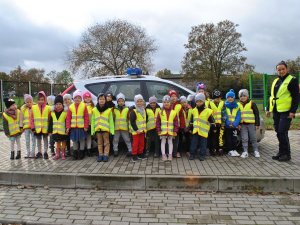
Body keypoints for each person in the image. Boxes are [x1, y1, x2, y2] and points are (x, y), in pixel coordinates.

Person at [266, 61, 299, 162]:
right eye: (279, 69)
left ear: (287, 69)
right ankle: (281, 152)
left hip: (287, 111)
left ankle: (286, 154)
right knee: (278, 132)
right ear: (277, 70)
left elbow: (296, 97)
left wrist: (293, 111)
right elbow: (271, 96)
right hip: (276, 110)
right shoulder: (276, 81)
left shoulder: (292, 80)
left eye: (283, 69)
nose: (281, 71)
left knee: (282, 132)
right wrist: (268, 109)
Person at [189, 93, 215, 161]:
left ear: (203, 101)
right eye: (197, 101)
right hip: (195, 130)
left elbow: (212, 121)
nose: (199, 103)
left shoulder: (208, 111)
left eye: (200, 101)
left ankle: (202, 155)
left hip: (204, 131)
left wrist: (213, 128)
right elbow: (192, 120)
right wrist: (190, 128)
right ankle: (192, 154)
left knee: (203, 144)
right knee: (193, 143)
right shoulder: (194, 110)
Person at [66, 90, 89, 160]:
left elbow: (86, 117)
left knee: (82, 140)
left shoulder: (84, 106)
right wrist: (68, 127)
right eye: (76, 97)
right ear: (73, 98)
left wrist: (86, 126)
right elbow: (68, 118)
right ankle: (75, 153)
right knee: (74, 140)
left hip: (81, 127)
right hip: (73, 128)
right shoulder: (71, 107)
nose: (77, 99)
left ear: (81, 99)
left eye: (79, 98)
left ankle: (81, 152)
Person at [91, 93, 115, 162]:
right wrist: (92, 131)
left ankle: (106, 155)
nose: (102, 100)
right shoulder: (94, 110)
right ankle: (100, 154)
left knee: (106, 143)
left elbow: (111, 121)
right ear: (98, 100)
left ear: (105, 100)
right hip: (98, 130)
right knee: (99, 143)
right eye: (100, 99)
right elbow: (92, 121)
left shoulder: (108, 110)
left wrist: (112, 131)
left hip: (106, 130)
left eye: (103, 99)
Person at [238, 89, 260, 158]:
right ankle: (245, 151)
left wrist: (257, 124)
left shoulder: (252, 103)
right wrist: (238, 124)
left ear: (247, 96)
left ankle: (256, 151)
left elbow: (256, 114)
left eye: (244, 96)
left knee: (253, 138)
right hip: (243, 124)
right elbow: (237, 115)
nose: (243, 97)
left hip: (251, 124)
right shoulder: (238, 104)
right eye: (241, 96)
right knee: (244, 138)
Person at [156, 95, 178, 161]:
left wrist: (175, 131)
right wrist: (158, 130)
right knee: (163, 142)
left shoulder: (174, 112)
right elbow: (158, 122)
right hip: (163, 131)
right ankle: (163, 155)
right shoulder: (160, 112)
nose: (166, 103)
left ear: (170, 103)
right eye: (165, 102)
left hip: (171, 131)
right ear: (163, 103)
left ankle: (170, 155)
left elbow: (176, 122)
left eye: (168, 102)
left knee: (170, 142)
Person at [31, 91, 51, 159]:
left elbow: (49, 119)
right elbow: (31, 119)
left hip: (45, 128)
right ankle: (39, 152)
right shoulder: (34, 107)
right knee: (38, 141)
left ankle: (45, 152)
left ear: (45, 100)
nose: (40, 101)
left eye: (42, 100)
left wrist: (49, 128)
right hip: (37, 128)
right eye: (39, 100)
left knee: (45, 140)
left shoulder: (48, 108)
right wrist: (33, 128)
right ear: (37, 100)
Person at [48, 95, 67, 160]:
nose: (58, 105)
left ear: (62, 104)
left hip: (63, 131)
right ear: (54, 105)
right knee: (57, 143)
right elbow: (50, 123)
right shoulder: (52, 113)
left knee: (63, 142)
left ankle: (63, 153)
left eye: (60, 104)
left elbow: (67, 122)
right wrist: (50, 131)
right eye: (56, 104)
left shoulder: (65, 112)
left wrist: (67, 129)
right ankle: (57, 154)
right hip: (55, 131)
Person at [129, 94, 147, 162]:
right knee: (135, 144)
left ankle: (140, 153)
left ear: (143, 102)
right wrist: (136, 130)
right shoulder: (134, 111)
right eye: (138, 101)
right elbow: (132, 121)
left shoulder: (143, 110)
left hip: (142, 130)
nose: (139, 103)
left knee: (141, 143)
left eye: (141, 101)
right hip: (136, 131)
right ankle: (134, 155)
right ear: (135, 102)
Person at [224, 89, 241, 157]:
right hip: (228, 126)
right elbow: (224, 116)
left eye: (231, 97)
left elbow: (238, 116)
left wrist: (235, 124)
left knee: (234, 138)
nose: (230, 98)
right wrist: (228, 123)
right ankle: (230, 150)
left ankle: (234, 150)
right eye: (228, 97)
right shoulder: (225, 106)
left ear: (234, 98)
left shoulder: (237, 106)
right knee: (228, 139)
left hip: (234, 126)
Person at [169, 90, 185, 158]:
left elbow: (181, 116)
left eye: (175, 96)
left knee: (177, 140)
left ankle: (177, 152)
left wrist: (182, 125)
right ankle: (170, 152)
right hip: (169, 126)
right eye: (172, 96)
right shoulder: (167, 104)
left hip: (177, 126)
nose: (173, 98)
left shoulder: (179, 105)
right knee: (170, 140)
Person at [208, 89, 225, 156]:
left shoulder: (222, 103)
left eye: (219, 98)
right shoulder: (210, 104)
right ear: (213, 98)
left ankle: (220, 148)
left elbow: (224, 113)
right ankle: (213, 149)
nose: (218, 99)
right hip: (213, 124)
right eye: (216, 98)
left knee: (220, 136)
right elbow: (209, 114)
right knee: (213, 137)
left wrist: (223, 122)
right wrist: (212, 123)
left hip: (220, 123)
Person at [20, 94, 36, 158]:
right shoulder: (23, 109)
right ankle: (28, 152)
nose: (29, 103)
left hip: (33, 128)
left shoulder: (35, 108)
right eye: (27, 102)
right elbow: (21, 118)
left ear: (32, 101)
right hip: (26, 128)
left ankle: (33, 152)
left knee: (34, 140)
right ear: (25, 102)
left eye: (30, 102)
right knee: (27, 141)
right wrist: (21, 126)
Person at [83, 90, 94, 157]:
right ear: (83, 99)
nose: (87, 99)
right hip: (83, 125)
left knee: (89, 137)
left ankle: (89, 149)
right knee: (83, 137)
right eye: (86, 98)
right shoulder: (82, 106)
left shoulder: (93, 106)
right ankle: (83, 149)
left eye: (89, 97)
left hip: (90, 124)